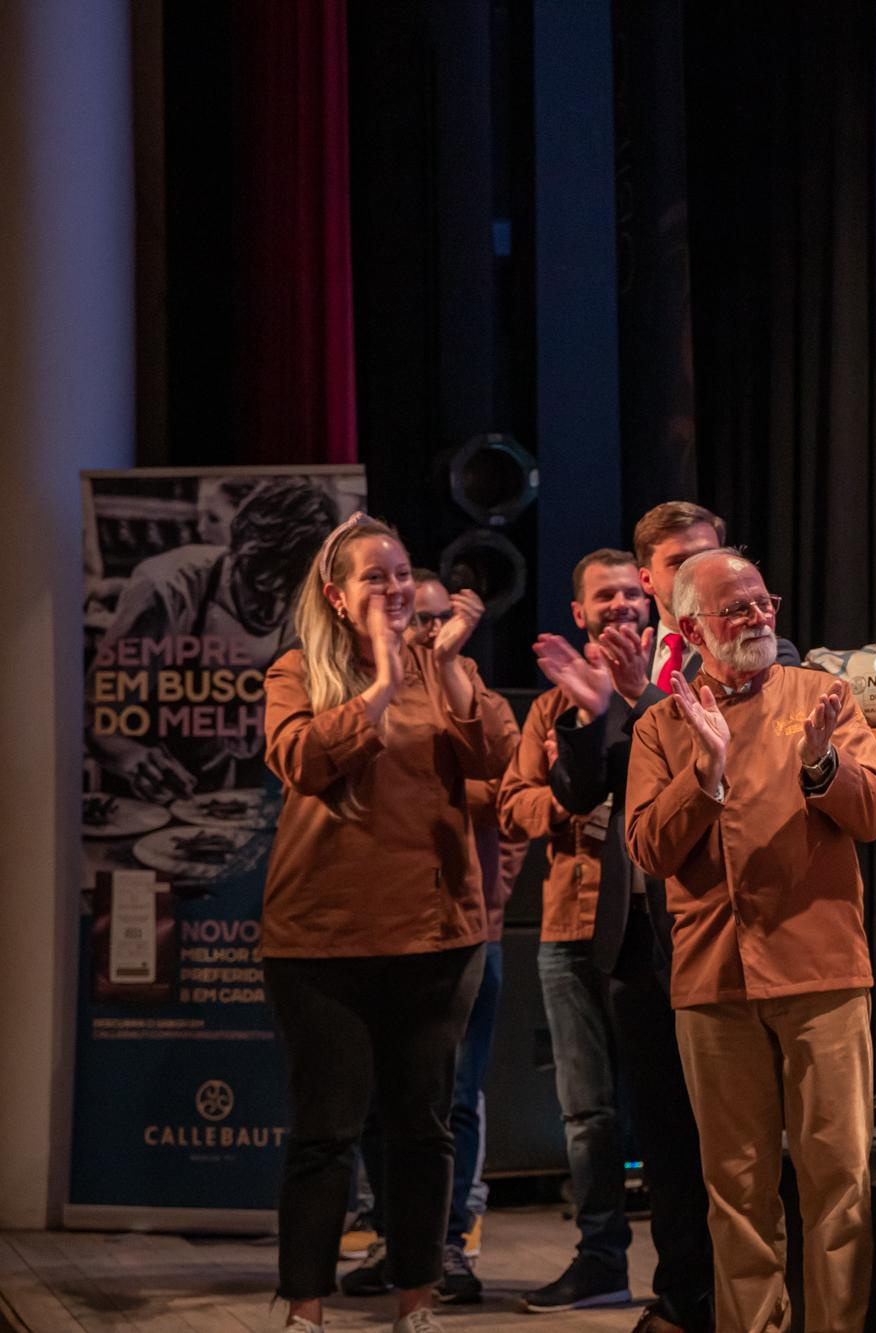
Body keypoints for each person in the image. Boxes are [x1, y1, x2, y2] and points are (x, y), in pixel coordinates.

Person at [619, 550, 876, 1333]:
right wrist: (702, 772)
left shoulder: (823, 696)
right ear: (690, 628)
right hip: (713, 984)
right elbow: (645, 847)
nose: (758, 618)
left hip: (822, 972)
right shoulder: (662, 726)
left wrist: (823, 766)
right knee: (736, 1194)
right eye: (735, 610)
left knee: (837, 1181)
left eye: (761, 602)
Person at [260, 515, 516, 1333]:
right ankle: (305, 1305)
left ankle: (416, 1301)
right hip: (320, 939)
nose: (396, 588)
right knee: (327, 1130)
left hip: (435, 934)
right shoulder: (297, 671)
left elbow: (499, 758)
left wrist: (444, 673)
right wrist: (376, 683)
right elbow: (301, 760)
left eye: (403, 572)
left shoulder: (450, 671)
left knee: (422, 1127)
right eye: (376, 576)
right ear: (336, 596)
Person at [533, 544, 714, 1333]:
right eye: (660, 564)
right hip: (635, 937)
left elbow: (707, 765)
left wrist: (636, 698)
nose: (633, 600)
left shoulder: (731, 653)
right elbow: (581, 789)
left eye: (690, 559)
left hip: (711, 925)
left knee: (720, 1132)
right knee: (663, 1134)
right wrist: (586, 712)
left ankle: (725, 1295)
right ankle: (679, 1295)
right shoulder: (605, 680)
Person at [344, 572, 525, 1304]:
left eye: (437, 617)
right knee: (371, 1101)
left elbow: (506, 782)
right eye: (411, 615)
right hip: (372, 928)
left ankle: (447, 1245)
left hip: (462, 930)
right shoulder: (362, 682)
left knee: (449, 1099)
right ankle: (396, 1236)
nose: (423, 628)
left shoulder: (462, 679)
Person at [501, 549, 658, 1315]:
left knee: (670, 1103)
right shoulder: (550, 707)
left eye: (633, 591)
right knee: (588, 1111)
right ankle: (601, 1258)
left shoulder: (670, 685)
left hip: (653, 928)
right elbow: (514, 804)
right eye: (605, 595)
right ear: (580, 611)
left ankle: (694, 1267)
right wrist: (577, 795)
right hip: (569, 928)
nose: (621, 604)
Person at [92, 477, 341, 800]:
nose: (274, 612)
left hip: (237, 795)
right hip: (143, 804)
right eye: (263, 591)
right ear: (238, 556)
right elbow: (95, 712)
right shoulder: (168, 588)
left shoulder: (310, 600)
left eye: (290, 595)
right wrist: (130, 756)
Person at [631, 501, 800, 685]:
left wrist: (639, 692)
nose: (697, 574)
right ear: (647, 580)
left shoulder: (761, 649)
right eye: (679, 563)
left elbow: (735, 714)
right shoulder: (629, 661)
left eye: (709, 557)